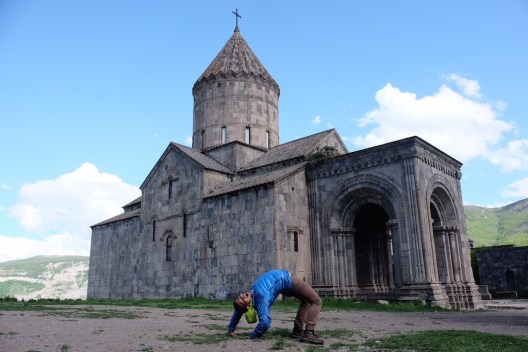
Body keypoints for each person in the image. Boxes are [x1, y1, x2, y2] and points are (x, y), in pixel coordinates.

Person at [227, 269, 324, 345]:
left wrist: (231, 329)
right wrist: (252, 335)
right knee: (316, 300)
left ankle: (297, 331)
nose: (241, 297)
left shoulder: (252, 293)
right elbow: (265, 322)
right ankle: (309, 333)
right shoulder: (261, 298)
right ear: (248, 306)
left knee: (306, 301)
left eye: (239, 297)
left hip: (285, 282)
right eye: (242, 301)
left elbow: (238, 310)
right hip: (288, 280)